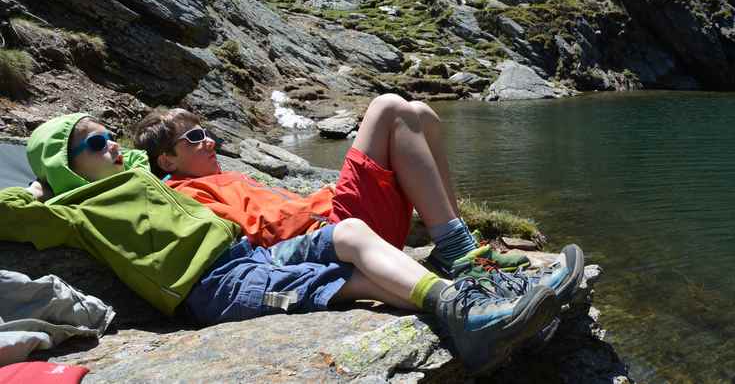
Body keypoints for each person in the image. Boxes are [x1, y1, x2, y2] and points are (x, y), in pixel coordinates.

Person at [0, 113, 562, 375]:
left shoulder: (146, 176)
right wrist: (33, 187)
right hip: (216, 287)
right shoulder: (72, 210)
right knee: (347, 282)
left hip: (249, 258)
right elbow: (10, 214)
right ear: (67, 168)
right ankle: (467, 314)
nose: (112, 144)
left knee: (350, 233)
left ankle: (469, 295)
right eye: (95, 143)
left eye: (107, 134)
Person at [133, 94, 533, 278]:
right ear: (167, 161)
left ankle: (458, 244)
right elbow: (249, 240)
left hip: (345, 221)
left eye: (206, 132)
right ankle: (456, 249)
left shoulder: (224, 177)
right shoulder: (185, 195)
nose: (210, 141)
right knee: (388, 107)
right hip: (333, 233)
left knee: (422, 115)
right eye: (195, 137)